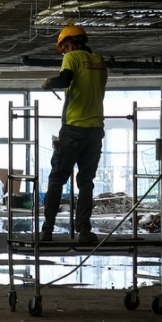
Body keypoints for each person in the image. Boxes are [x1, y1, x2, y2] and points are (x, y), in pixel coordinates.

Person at [40, 25, 108, 245]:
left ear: (68, 44)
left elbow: (65, 80)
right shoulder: (99, 60)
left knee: (57, 179)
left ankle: (47, 231)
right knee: (86, 181)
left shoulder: (72, 57)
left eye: (63, 48)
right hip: (96, 130)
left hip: (73, 128)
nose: (64, 52)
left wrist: (49, 83)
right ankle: (84, 231)